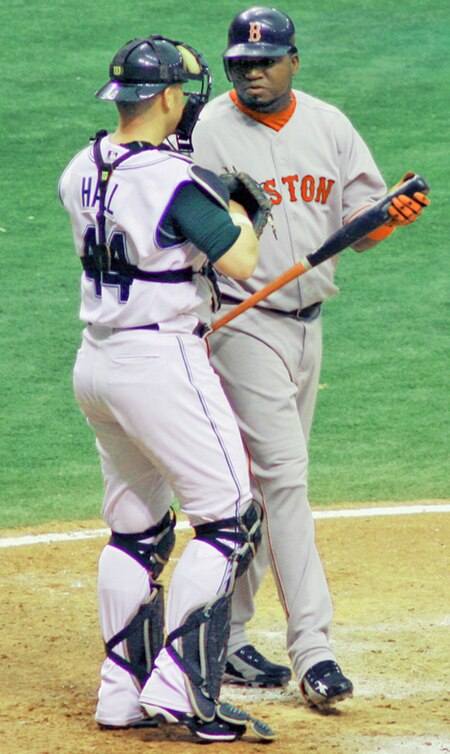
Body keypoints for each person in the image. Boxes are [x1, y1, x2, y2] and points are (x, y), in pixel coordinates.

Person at [191, 6, 430, 708]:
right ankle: (315, 651)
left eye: (266, 60)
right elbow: (195, 233)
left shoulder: (329, 124)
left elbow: (362, 228)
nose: (253, 72)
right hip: (242, 323)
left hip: (308, 325)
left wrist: (388, 216)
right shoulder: (209, 132)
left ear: (295, 59)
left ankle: (228, 634)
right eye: (240, 63)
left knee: (265, 487)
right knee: (287, 478)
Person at [58, 34, 275, 743]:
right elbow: (240, 259)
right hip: (159, 363)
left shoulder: (80, 168)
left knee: (137, 530)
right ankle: (180, 687)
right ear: (169, 99)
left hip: (98, 363)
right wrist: (241, 209)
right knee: (229, 519)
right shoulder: (168, 177)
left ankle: (120, 694)